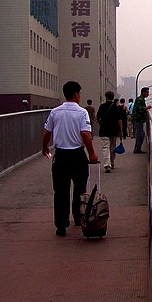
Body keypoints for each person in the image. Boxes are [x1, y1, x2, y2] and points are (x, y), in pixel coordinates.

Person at [42, 81, 98, 236]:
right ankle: (79, 218)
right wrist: (92, 153)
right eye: (79, 94)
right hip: (77, 155)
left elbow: (47, 132)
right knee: (80, 190)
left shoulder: (55, 112)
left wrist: (44, 147)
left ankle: (61, 225)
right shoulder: (82, 113)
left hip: (60, 156)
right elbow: (85, 134)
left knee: (60, 191)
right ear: (76, 94)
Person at [97, 90, 123, 173]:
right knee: (112, 146)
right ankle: (112, 162)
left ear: (106, 97)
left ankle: (107, 165)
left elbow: (98, 118)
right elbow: (119, 120)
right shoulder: (116, 107)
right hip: (114, 130)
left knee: (106, 147)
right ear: (113, 97)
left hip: (104, 130)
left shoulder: (102, 106)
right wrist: (121, 131)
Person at [132, 87, 152, 153]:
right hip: (138, 119)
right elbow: (139, 108)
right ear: (143, 92)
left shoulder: (141, 99)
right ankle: (137, 149)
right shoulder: (140, 99)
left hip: (139, 120)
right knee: (139, 135)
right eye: (147, 92)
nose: (148, 94)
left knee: (141, 134)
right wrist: (147, 107)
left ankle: (137, 148)